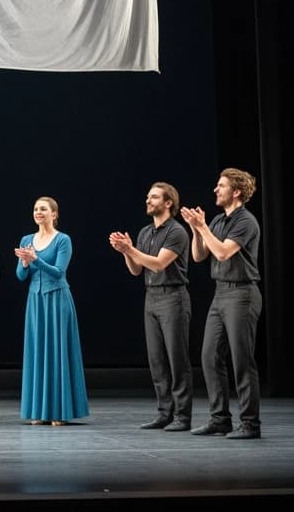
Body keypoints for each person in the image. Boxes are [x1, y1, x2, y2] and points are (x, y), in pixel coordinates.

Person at [181, 168, 262, 440]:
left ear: (236, 191)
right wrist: (196, 229)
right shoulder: (217, 220)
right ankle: (220, 419)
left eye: (221, 186)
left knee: (242, 360)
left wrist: (203, 227)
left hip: (242, 293)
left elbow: (224, 252)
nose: (216, 190)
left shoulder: (246, 221)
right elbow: (200, 255)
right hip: (221, 293)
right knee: (209, 356)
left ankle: (250, 424)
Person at [109, 182, 193, 432]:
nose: (148, 200)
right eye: (148, 196)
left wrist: (130, 248)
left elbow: (158, 264)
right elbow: (137, 270)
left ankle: (182, 416)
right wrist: (125, 252)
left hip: (173, 297)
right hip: (152, 297)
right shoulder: (146, 232)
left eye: (154, 197)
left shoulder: (176, 231)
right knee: (157, 360)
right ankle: (164, 412)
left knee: (176, 359)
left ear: (168, 203)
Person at [14, 196, 89, 425]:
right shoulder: (27, 239)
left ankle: (59, 411)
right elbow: (20, 276)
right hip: (36, 302)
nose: (39, 212)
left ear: (54, 214)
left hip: (57, 300)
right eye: (36, 209)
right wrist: (25, 263)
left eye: (43, 209)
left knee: (56, 352)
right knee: (38, 352)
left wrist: (35, 259)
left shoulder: (63, 239)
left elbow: (58, 272)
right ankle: (39, 411)